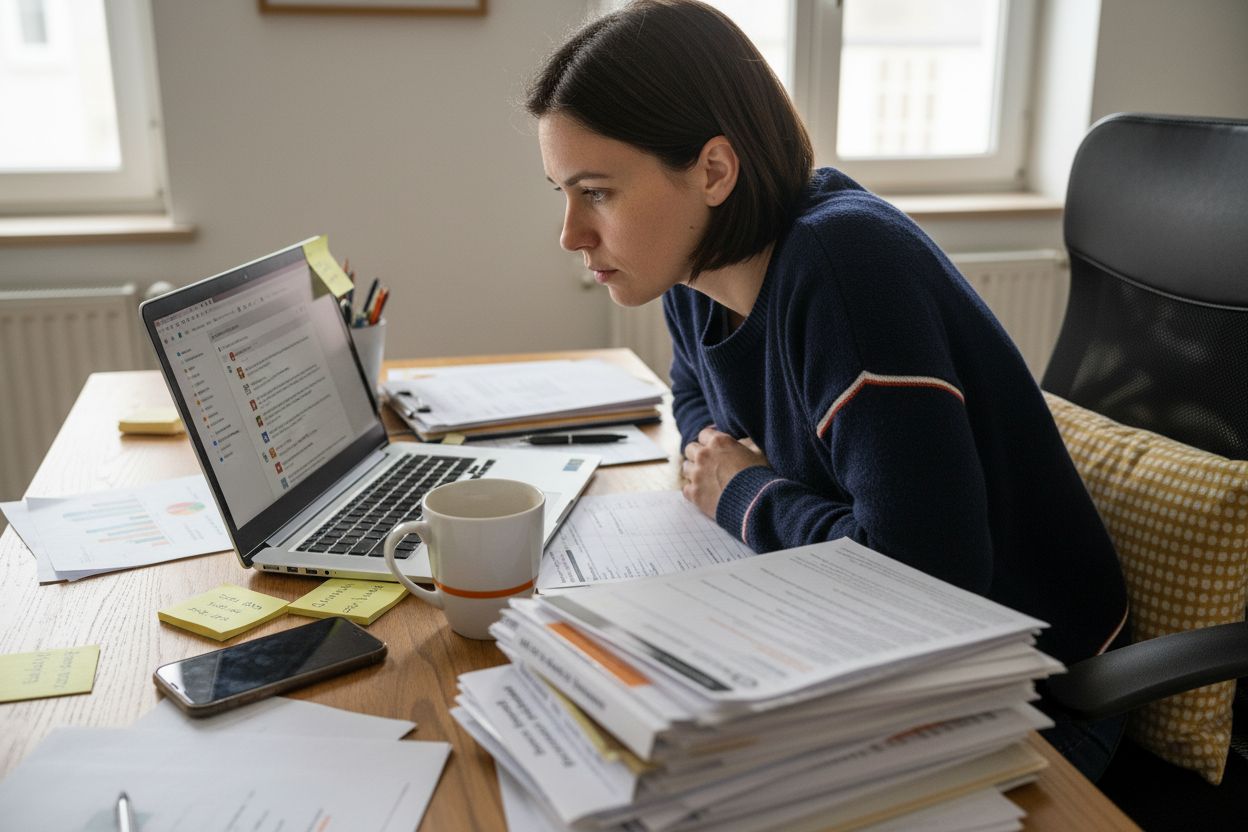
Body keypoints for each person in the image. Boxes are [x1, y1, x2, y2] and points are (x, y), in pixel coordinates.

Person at [527, 0, 1128, 779]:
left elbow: (926, 577)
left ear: (713, 171)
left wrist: (743, 494)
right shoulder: (688, 270)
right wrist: (729, 470)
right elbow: (694, 400)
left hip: (1032, 691)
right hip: (861, 641)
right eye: (561, 192)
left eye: (597, 192)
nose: (570, 234)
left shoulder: (846, 270)